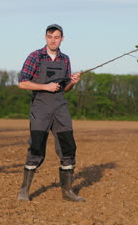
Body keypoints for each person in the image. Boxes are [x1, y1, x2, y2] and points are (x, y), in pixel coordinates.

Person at [17, 24, 85, 202]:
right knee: (37, 148)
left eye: (56, 37)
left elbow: (66, 88)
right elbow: (22, 83)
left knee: (68, 148)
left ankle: (67, 192)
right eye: (50, 37)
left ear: (62, 39)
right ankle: (24, 191)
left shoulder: (65, 59)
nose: (53, 40)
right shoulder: (35, 56)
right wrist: (44, 86)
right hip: (40, 108)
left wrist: (73, 81)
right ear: (45, 38)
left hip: (60, 108)